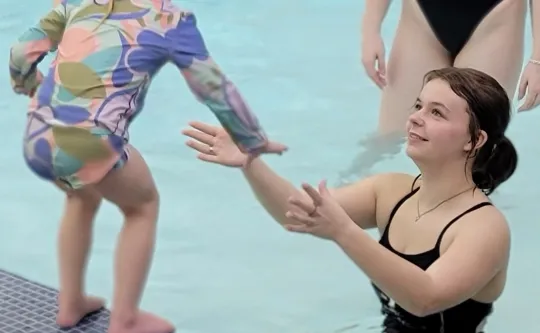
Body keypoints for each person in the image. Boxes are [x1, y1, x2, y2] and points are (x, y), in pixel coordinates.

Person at [9, 0, 286, 332]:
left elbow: (21, 50)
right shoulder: (170, 21)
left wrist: (28, 86)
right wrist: (253, 140)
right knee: (142, 204)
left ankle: (71, 303)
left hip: (37, 137)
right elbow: (214, 87)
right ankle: (126, 319)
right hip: (89, 146)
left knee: (80, 195)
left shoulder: (77, 3)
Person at [182, 67, 517, 332]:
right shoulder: (391, 191)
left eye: (437, 113)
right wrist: (251, 163)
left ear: (474, 140)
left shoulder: (483, 228)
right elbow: (296, 212)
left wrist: (344, 231)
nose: (415, 116)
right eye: (418, 105)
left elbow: (425, 298)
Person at [341, 0, 530, 182]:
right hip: (421, 15)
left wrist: (537, 58)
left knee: (473, 153)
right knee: (390, 138)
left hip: (497, 15)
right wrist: (370, 31)